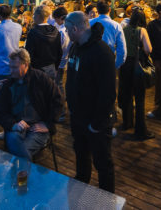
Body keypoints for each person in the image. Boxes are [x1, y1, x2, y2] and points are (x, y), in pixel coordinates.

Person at [64, 12, 116, 192]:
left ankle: (107, 198)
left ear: (75, 29)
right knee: (81, 155)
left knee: (102, 163)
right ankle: (81, 184)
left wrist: (97, 123)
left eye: (67, 30)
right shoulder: (75, 47)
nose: (66, 33)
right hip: (78, 116)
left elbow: (108, 92)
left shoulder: (102, 52)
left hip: (96, 121)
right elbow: (72, 78)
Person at [0, 49, 62, 161]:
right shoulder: (8, 84)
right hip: (16, 125)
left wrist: (48, 124)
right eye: (10, 67)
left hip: (37, 127)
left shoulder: (40, 78)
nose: (11, 71)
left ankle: (19, 171)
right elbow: (0, 112)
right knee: (16, 145)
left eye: (14, 67)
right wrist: (13, 124)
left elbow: (57, 100)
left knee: (18, 150)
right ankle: (25, 171)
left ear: (25, 65)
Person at [120, 8, 154, 140]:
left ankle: (127, 122)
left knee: (127, 95)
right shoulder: (142, 30)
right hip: (137, 65)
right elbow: (148, 49)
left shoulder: (124, 29)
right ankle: (140, 130)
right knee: (139, 98)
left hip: (125, 65)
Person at [24, 5, 62, 80]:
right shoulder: (55, 30)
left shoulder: (33, 32)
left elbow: (29, 53)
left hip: (37, 69)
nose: (33, 16)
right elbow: (59, 52)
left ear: (38, 15)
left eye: (34, 14)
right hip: (51, 67)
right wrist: (56, 67)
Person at [89, 1, 127, 70]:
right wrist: (116, 65)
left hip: (90, 61)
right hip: (108, 61)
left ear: (98, 11)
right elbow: (122, 50)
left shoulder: (89, 23)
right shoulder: (116, 26)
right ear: (109, 10)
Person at [52, 6, 71, 119]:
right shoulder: (69, 28)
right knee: (62, 86)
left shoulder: (61, 32)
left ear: (60, 18)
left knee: (59, 88)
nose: (55, 22)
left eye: (55, 19)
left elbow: (59, 49)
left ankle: (62, 113)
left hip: (60, 63)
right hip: (67, 61)